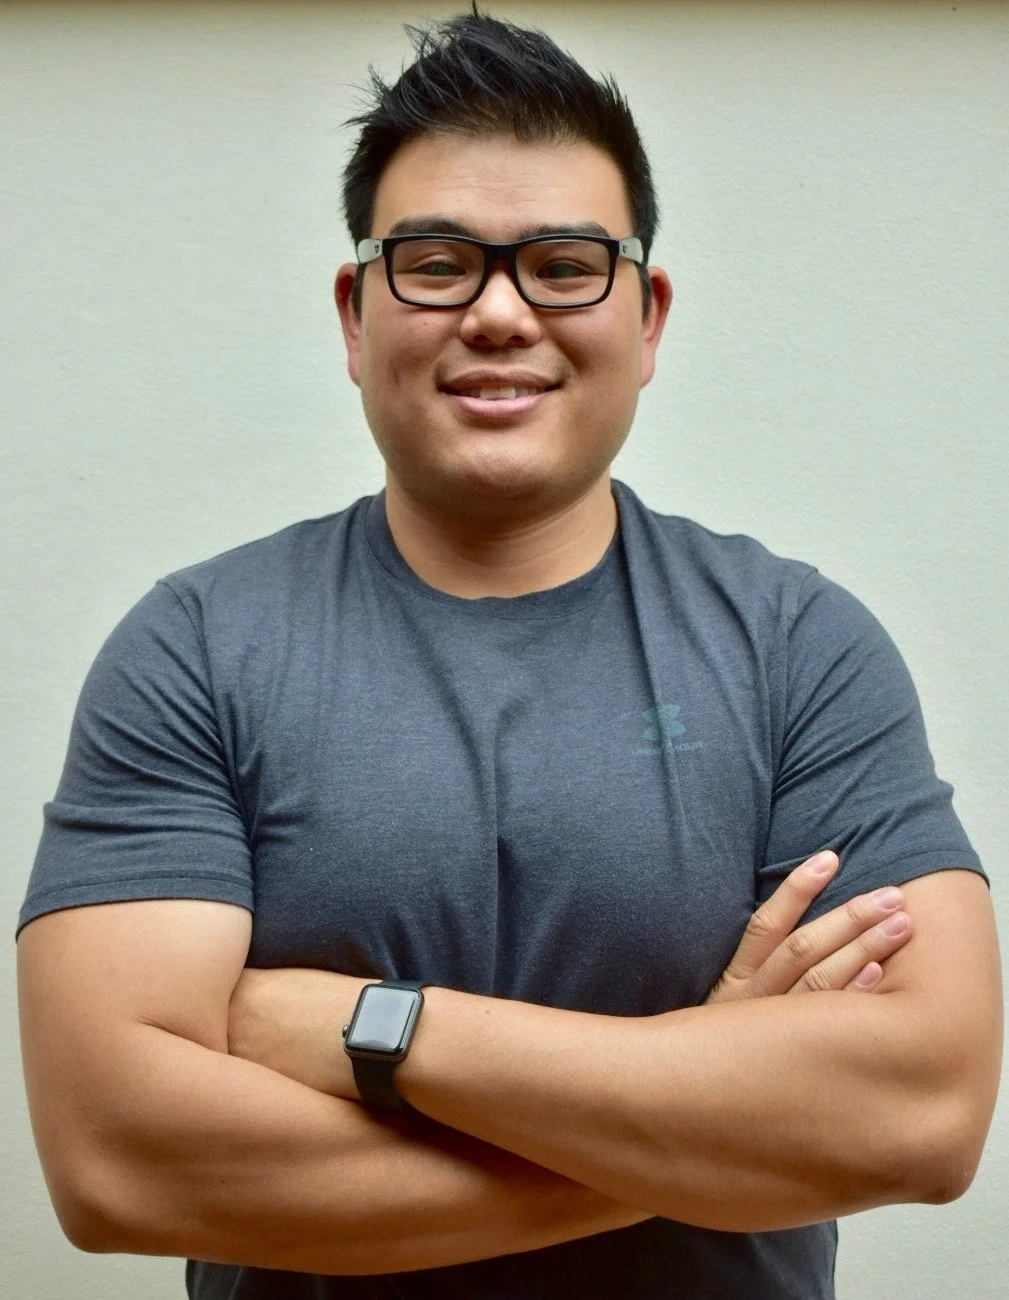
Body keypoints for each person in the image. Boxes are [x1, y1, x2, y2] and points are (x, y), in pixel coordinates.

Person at [16, 12, 1000, 1299]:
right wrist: (710, 1106)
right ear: (356, 313)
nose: (496, 312)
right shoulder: (195, 650)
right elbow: (116, 1163)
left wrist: (367, 1027)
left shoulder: (797, 645)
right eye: (434, 262)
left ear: (644, 319)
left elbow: (921, 1117)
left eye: (561, 264)